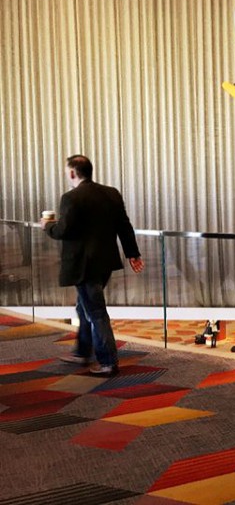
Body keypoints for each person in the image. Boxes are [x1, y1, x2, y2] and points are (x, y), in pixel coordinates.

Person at [42, 155, 144, 376]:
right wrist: (132, 253)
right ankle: (82, 352)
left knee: (95, 311)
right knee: (85, 307)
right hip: (105, 262)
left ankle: (108, 361)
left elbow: (63, 231)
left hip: (83, 265)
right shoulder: (111, 193)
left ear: (72, 173)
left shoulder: (71, 197)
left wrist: (48, 226)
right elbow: (124, 226)